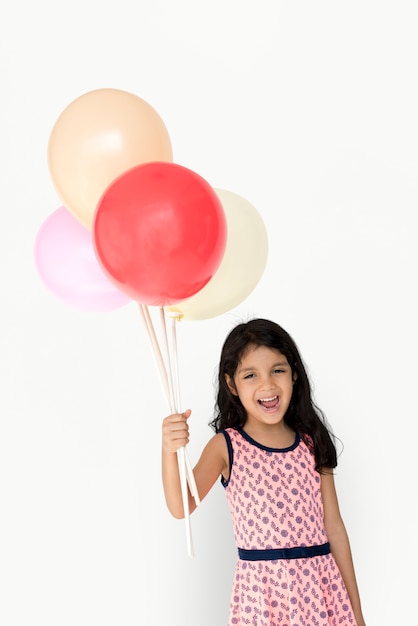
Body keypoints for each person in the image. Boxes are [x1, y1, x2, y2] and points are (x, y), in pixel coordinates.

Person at [162, 318, 366, 626]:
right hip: (262, 598)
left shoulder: (312, 442)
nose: (267, 385)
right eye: (250, 375)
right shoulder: (226, 446)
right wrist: (169, 448)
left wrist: (356, 613)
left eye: (278, 370)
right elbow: (181, 507)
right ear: (232, 384)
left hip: (320, 592)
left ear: (294, 373)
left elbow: (334, 527)